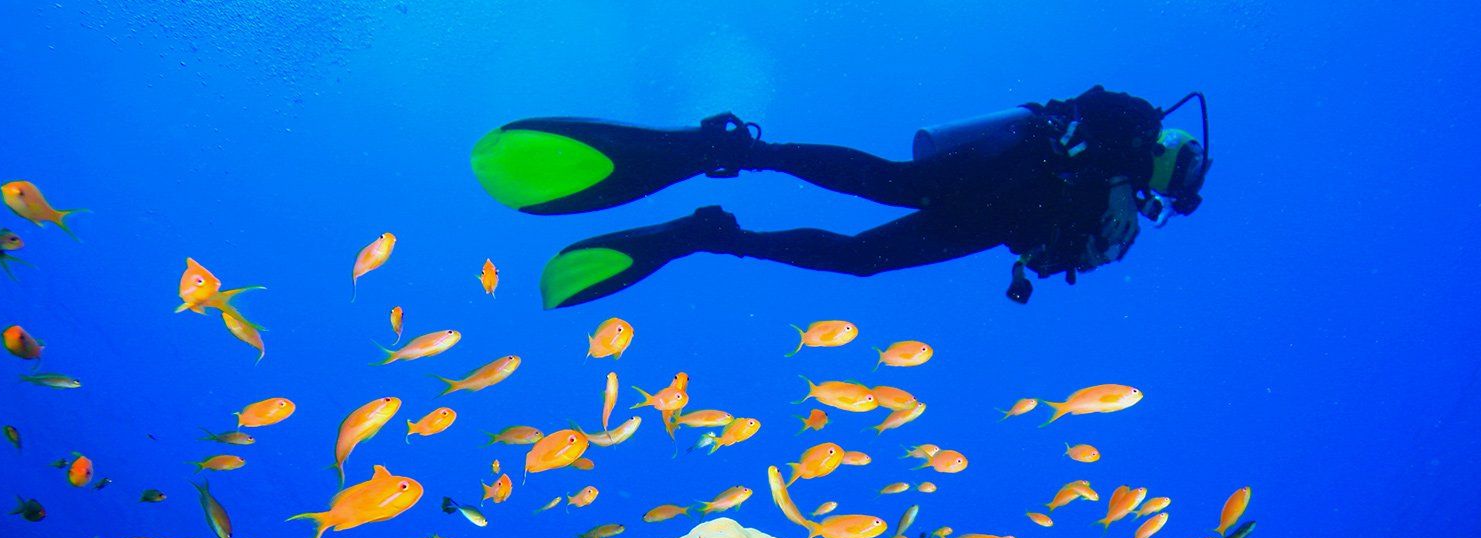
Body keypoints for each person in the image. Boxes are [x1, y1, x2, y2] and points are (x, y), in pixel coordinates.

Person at [470, 87, 1211, 308]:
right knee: (890, 182)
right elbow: (1085, 105)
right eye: (1179, 174)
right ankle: (736, 152)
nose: (1167, 187)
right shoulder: (1134, 124)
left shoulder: (1122, 202)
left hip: (991, 224)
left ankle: (714, 232)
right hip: (999, 176)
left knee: (863, 262)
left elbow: (1054, 254)